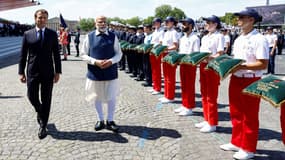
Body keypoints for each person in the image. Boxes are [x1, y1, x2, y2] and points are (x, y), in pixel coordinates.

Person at [219, 9, 268, 160]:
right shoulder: (239, 38)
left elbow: (263, 64)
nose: (238, 20)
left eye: (241, 17)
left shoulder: (259, 39)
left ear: (252, 20)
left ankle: (248, 148)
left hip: (251, 79)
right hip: (236, 78)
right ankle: (237, 141)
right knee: (236, 112)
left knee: (249, 115)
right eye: (238, 17)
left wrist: (241, 66)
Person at [18, 9, 62, 139]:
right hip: (32, 70)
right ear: (35, 18)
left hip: (48, 71)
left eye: (44, 18)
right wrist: (21, 71)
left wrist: (58, 71)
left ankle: (43, 125)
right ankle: (40, 110)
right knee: (31, 95)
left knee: (46, 97)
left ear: (46, 19)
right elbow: (23, 54)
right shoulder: (27, 34)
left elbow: (56, 54)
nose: (41, 19)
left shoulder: (52, 34)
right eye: (39, 17)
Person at [81, 16, 122, 132]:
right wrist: (95, 62)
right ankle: (100, 119)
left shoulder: (113, 36)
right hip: (95, 71)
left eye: (104, 22)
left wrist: (111, 61)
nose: (103, 24)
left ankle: (110, 120)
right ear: (96, 23)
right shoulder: (89, 37)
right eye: (100, 22)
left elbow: (119, 54)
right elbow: (83, 54)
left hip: (110, 71)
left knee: (112, 96)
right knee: (96, 96)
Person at [194, 15, 224, 133]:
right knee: (204, 92)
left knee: (211, 95)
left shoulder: (219, 36)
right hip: (203, 65)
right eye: (205, 22)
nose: (206, 24)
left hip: (212, 66)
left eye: (208, 22)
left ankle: (212, 122)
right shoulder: (205, 37)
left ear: (215, 24)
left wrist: (209, 57)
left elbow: (220, 53)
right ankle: (206, 118)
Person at [174, 17, 200, 116]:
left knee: (189, 86)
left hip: (190, 64)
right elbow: (180, 51)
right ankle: (184, 104)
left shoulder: (195, 38)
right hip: (183, 63)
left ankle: (189, 106)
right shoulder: (183, 37)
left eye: (185, 24)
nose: (183, 26)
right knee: (183, 85)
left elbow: (196, 53)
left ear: (190, 25)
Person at [159, 16, 179, 104]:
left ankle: (170, 96)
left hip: (171, 54)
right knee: (166, 75)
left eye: (168, 21)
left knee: (170, 76)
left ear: (172, 23)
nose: (166, 23)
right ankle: (166, 95)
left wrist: (166, 49)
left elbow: (176, 45)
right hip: (165, 53)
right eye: (165, 21)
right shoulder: (166, 32)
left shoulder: (174, 32)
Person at [148, 17, 164, 95]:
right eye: (154, 23)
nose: (154, 24)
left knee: (157, 70)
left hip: (157, 51)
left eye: (156, 22)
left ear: (159, 23)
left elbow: (160, 43)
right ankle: (155, 86)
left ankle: (158, 88)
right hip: (152, 51)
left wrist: (154, 48)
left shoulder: (161, 31)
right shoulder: (155, 31)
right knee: (153, 69)